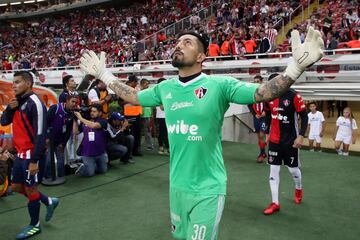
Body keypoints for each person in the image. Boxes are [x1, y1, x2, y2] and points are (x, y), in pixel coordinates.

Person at [79, 27, 324, 239]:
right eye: (177, 42)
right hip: (177, 187)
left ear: (201, 56)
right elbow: (131, 95)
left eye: (187, 42)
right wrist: (104, 75)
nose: (178, 45)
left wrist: (294, 68)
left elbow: (263, 93)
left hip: (208, 188)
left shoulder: (220, 85)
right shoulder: (165, 88)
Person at [0, 71, 59, 239]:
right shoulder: (16, 101)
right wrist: (10, 110)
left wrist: (34, 160)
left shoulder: (35, 102)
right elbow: (4, 122)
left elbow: (41, 134)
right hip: (20, 153)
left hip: (32, 154)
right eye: (13, 82)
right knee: (17, 187)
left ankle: (35, 225)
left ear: (28, 83)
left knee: (31, 188)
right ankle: (48, 201)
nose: (13, 85)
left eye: (17, 82)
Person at [263, 73, 308, 215]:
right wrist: (267, 133)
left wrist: (301, 136)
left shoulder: (293, 95)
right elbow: (268, 115)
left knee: (293, 170)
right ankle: (275, 202)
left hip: (290, 140)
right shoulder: (269, 97)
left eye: (274, 84)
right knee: (273, 171)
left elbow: (304, 116)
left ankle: (299, 187)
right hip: (275, 141)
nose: (272, 87)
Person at [45, 94, 78, 179]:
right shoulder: (55, 108)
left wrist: (63, 144)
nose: (74, 104)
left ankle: (61, 177)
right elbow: (45, 123)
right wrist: (47, 138)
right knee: (49, 160)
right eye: (72, 101)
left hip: (60, 141)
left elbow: (68, 131)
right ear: (67, 101)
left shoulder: (72, 113)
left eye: (76, 102)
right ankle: (48, 177)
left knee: (61, 159)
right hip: (50, 140)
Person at [73, 105, 109, 176]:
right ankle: (82, 167)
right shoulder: (86, 121)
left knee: (103, 170)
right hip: (87, 153)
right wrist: (75, 120)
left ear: (100, 113)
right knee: (90, 173)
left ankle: (89, 165)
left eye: (94, 111)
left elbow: (94, 126)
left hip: (100, 152)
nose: (92, 113)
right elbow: (75, 132)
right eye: (91, 111)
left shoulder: (103, 121)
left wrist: (80, 118)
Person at [247, 75, 267, 163]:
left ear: (262, 81)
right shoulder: (252, 92)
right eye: (255, 81)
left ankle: (262, 154)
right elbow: (249, 104)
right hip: (257, 117)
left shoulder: (266, 91)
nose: (256, 83)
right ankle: (262, 152)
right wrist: (254, 114)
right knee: (259, 136)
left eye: (258, 81)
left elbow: (270, 102)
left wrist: (266, 111)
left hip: (265, 117)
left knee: (262, 135)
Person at [140, 79, 154, 150]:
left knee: (147, 130)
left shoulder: (149, 92)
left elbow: (151, 103)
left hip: (147, 114)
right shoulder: (138, 92)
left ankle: (150, 145)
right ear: (142, 84)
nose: (147, 85)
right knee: (139, 130)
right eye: (146, 84)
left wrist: (151, 113)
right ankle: (138, 145)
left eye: (148, 84)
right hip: (139, 114)